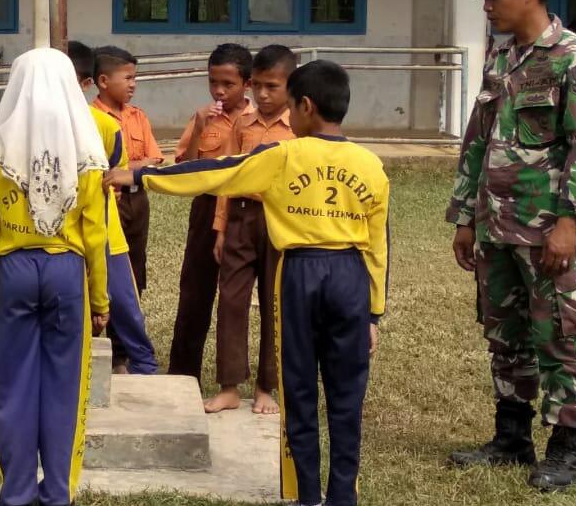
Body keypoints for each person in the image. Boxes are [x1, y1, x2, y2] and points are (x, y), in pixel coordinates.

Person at [107, 60, 390, 506]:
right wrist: (374, 312)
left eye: (291, 105)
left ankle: (307, 495)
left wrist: (140, 175)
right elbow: (378, 246)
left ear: (306, 106)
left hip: (300, 272)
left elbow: (215, 171)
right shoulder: (371, 165)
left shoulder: (283, 156)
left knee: (298, 389)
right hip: (350, 276)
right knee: (346, 395)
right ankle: (342, 497)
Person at [445, 0, 576, 493]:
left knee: (558, 334)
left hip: (545, 230)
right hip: (495, 225)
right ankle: (511, 438)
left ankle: (565, 447)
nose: (486, 4)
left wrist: (569, 223)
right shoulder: (500, 56)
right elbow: (477, 140)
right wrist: (464, 216)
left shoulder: (574, 57)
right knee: (505, 335)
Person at [0, 48, 110, 506]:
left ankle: (16, 491)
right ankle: (57, 493)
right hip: (67, 271)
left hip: (13, 270)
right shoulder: (87, 151)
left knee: (12, 383)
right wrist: (100, 299)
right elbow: (96, 236)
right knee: (65, 385)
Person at [207, 44, 297, 415]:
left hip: (279, 220)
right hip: (241, 217)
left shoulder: (298, 128)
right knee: (231, 299)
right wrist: (221, 228)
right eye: (257, 85)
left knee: (275, 304)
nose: (262, 94)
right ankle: (229, 386)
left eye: (272, 86)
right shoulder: (243, 124)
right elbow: (229, 175)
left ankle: (266, 387)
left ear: (291, 86)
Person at [168, 43, 254, 385]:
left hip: (243, 210)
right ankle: (181, 374)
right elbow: (185, 168)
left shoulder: (256, 120)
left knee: (234, 299)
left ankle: (232, 379)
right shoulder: (203, 117)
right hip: (206, 207)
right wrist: (200, 129)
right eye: (213, 82)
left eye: (228, 84)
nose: (219, 91)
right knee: (194, 294)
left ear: (247, 84)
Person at [68, 41, 157, 374]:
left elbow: (116, 176)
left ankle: (142, 366)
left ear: (86, 82)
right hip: (64, 232)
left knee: (123, 296)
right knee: (74, 298)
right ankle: (82, 363)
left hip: (106, 226)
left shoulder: (105, 126)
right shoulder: (32, 125)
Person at [92, 46, 162, 295]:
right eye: (128, 78)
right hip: (110, 199)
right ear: (103, 81)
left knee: (136, 258)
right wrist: (138, 165)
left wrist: (122, 169)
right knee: (108, 258)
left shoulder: (137, 116)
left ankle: (134, 307)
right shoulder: (91, 118)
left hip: (138, 199)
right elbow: (99, 168)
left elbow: (155, 160)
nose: (134, 85)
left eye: (135, 78)